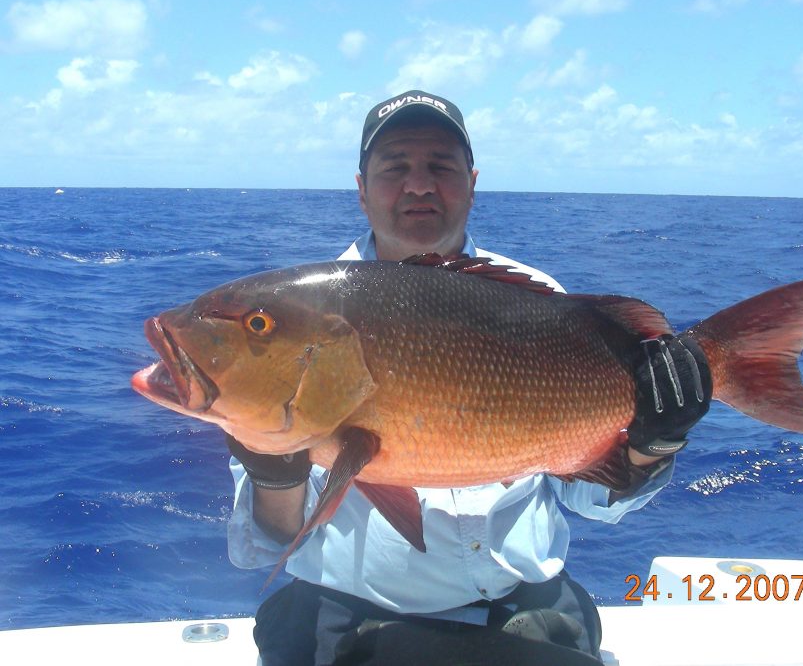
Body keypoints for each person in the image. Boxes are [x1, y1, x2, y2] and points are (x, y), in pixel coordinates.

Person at [225, 90, 712, 666]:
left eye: (441, 167)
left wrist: (653, 442)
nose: (419, 184)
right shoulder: (295, 320)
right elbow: (275, 538)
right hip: (356, 624)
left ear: (472, 182)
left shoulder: (538, 298)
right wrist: (274, 474)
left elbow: (593, 498)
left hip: (528, 617)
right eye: (395, 167)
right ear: (361, 188)